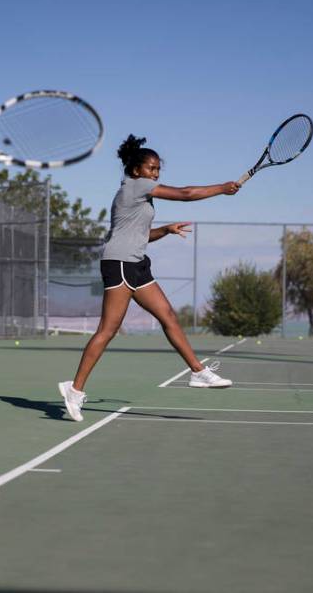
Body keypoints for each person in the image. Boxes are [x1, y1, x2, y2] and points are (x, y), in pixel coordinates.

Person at [58, 135, 239, 421]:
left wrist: (164, 230)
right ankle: (75, 390)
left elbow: (139, 237)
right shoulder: (136, 187)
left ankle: (198, 372)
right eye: (151, 169)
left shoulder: (137, 195)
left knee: (167, 315)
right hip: (119, 265)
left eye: (158, 170)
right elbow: (187, 193)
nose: (155, 174)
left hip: (136, 263)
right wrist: (222, 188)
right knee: (107, 331)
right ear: (135, 171)